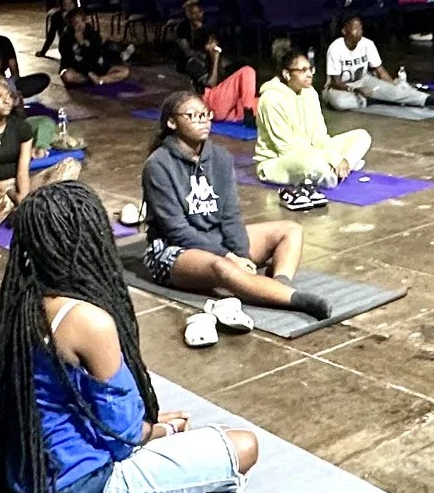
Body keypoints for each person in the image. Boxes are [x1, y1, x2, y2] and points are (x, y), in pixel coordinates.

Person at [0, 180, 259, 493]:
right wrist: (160, 431)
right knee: (244, 446)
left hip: (30, 479)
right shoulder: (88, 320)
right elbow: (125, 433)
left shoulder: (20, 305)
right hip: (80, 491)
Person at [141, 91, 332, 325]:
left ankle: (279, 287)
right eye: (192, 115)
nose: (202, 120)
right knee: (221, 266)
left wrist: (239, 253)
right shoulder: (158, 165)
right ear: (172, 122)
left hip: (217, 238)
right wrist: (229, 256)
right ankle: (294, 299)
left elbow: (231, 214)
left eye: (205, 114)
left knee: (291, 230)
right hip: (174, 249)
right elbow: (177, 230)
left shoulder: (220, 157)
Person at [254, 48, 372, 210]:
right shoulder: (271, 99)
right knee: (312, 164)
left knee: (361, 136)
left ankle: (333, 172)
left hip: (314, 152)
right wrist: (333, 158)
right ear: (287, 74)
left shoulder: (309, 92)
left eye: (310, 69)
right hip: (280, 160)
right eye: (303, 70)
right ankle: (337, 171)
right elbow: (288, 148)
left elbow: (320, 137)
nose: (309, 74)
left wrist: (332, 156)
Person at [0, 73, 77, 227]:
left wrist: (22, 196)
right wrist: (9, 193)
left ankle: (25, 209)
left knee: (70, 165)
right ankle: (12, 212)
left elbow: (23, 169)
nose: (7, 101)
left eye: (9, 96)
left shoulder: (20, 126)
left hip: (20, 183)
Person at [323, 12, 434, 112]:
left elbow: (380, 71)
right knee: (339, 102)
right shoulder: (335, 48)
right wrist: (355, 90)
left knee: (393, 91)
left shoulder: (367, 44)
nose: (359, 31)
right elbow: (335, 82)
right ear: (344, 30)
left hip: (364, 81)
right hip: (342, 88)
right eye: (355, 28)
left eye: (361, 27)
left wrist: (393, 87)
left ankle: (427, 99)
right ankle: (376, 98)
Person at [0, 8, 52, 99]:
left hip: (4, 83)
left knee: (41, 79)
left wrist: (9, 84)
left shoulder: (4, 42)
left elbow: (14, 71)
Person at [55, 7, 120, 82]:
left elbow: (97, 52)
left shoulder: (91, 33)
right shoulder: (66, 38)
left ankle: (100, 80)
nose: (80, 25)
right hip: (78, 69)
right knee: (67, 76)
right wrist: (88, 73)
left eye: (82, 21)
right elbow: (69, 60)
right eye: (76, 23)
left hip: (94, 66)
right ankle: (92, 80)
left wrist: (84, 44)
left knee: (124, 71)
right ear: (71, 24)